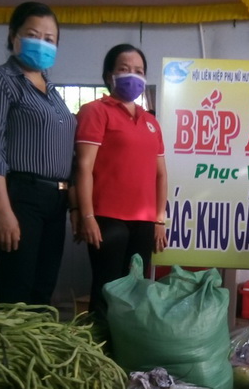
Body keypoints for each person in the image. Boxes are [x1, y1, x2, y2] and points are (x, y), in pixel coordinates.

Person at [0, 2, 77, 305]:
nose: (41, 43)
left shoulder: (52, 92)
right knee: (18, 288)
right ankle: (10, 339)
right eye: (32, 34)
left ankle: (37, 339)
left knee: (43, 289)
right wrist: (3, 212)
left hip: (55, 200)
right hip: (20, 196)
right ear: (12, 35)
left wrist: (73, 207)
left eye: (49, 39)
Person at [74, 43, 168, 312]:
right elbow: (83, 166)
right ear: (109, 75)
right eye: (124, 69)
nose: (133, 75)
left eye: (139, 71)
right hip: (107, 218)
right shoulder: (95, 111)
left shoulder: (151, 122)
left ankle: (126, 339)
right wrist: (87, 216)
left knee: (136, 291)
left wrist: (159, 219)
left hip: (144, 222)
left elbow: (161, 174)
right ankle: (99, 338)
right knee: (107, 290)